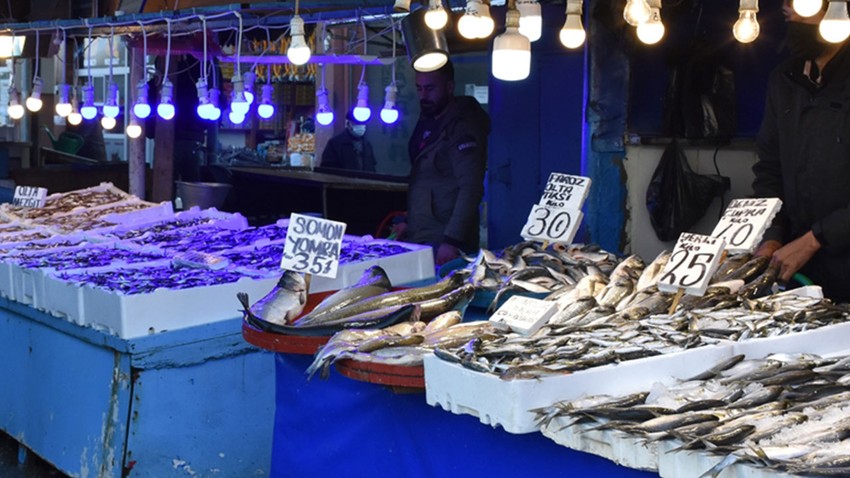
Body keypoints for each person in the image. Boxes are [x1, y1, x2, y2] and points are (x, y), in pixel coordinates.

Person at [752, 0, 850, 302]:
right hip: (799, 272)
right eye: (789, 6)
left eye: (804, 6)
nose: (789, 11)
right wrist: (772, 235)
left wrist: (817, 238)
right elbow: (769, 168)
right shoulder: (783, 80)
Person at [395, 60, 491, 266]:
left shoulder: (463, 127)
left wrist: (452, 240)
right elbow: (425, 179)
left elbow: (471, 187)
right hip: (421, 236)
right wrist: (409, 221)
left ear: (449, 87)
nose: (423, 96)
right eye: (419, 89)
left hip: (445, 242)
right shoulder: (428, 120)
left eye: (430, 88)